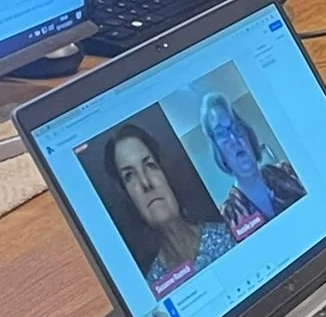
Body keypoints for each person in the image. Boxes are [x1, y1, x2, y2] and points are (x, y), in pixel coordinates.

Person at [105, 124, 234, 293]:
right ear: (128, 198)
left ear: (166, 173)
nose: (145, 183)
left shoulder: (228, 233)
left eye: (150, 165)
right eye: (129, 176)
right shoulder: (151, 290)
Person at [201, 91, 305, 237]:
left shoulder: (287, 171)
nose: (233, 138)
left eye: (236, 128)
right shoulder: (227, 217)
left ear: (248, 135)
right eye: (221, 133)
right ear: (217, 150)